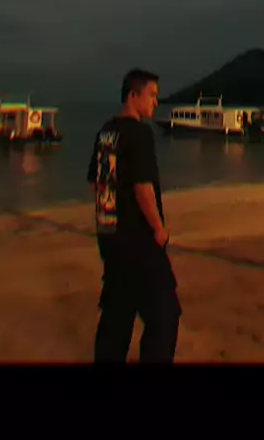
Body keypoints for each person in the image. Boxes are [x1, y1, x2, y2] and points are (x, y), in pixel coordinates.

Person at [87, 68, 181, 363]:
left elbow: (96, 183)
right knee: (165, 314)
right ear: (133, 95)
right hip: (138, 242)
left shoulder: (106, 132)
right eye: (151, 95)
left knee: (118, 315)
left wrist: (109, 218)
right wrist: (158, 228)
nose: (156, 102)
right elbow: (143, 188)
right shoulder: (140, 133)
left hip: (110, 238)